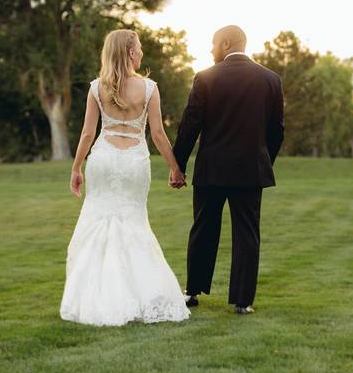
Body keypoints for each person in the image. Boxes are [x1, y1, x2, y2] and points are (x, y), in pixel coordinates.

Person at [60, 29, 190, 326]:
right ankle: (142, 293)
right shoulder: (149, 88)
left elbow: (88, 133)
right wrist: (175, 168)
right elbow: (157, 134)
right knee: (134, 224)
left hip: (103, 160)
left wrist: (76, 168)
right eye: (139, 48)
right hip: (133, 161)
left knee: (99, 222)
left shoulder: (97, 88)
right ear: (131, 52)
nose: (142, 52)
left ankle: (97, 297)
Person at [172, 25, 285, 314]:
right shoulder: (271, 79)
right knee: (247, 233)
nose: (211, 50)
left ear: (226, 43)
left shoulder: (206, 78)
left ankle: (192, 291)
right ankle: (243, 301)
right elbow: (276, 132)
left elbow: (190, 126)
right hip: (251, 171)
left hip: (212, 170)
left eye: (213, 44)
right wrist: (262, 161)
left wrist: (178, 165)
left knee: (203, 229)